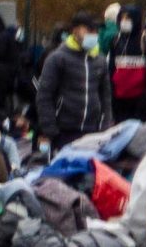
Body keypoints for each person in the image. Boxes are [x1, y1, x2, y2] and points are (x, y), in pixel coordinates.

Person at [34, 13, 112, 148]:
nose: (94, 35)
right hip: (64, 132)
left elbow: (105, 95)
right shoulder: (57, 58)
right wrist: (51, 130)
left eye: (95, 31)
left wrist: (105, 124)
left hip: (93, 131)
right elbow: (44, 95)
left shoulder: (100, 60)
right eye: (89, 30)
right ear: (75, 31)